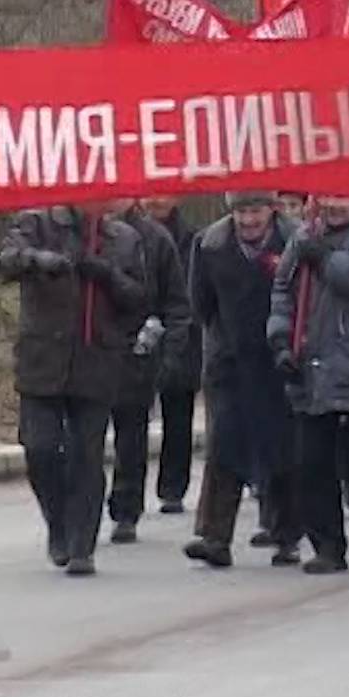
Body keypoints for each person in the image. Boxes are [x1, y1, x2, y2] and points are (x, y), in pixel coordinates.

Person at [0, 202, 150, 576]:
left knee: (86, 454)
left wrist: (108, 276)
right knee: (40, 448)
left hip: (96, 360)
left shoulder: (124, 239)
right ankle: (58, 521)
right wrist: (38, 260)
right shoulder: (35, 223)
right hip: (43, 360)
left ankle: (82, 543)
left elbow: (139, 300)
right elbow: (4, 263)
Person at [268, 195, 349, 574]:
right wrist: (280, 339)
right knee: (312, 462)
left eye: (343, 196)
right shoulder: (305, 235)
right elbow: (282, 291)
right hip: (314, 365)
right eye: (327, 196)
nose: (334, 204)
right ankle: (327, 543)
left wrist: (326, 259)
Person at [185, 192, 302, 568]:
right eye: (240, 212)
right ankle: (214, 536)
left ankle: (287, 533)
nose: (248, 220)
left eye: (255, 211)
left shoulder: (296, 240)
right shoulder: (210, 244)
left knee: (282, 447)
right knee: (224, 445)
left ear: (272, 210)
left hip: (278, 357)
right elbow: (200, 303)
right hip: (230, 359)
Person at [104, 200, 192, 545]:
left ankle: (126, 509)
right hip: (84, 351)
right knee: (83, 436)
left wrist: (171, 352)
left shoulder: (154, 239)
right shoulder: (73, 233)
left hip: (136, 348)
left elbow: (176, 301)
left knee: (130, 433)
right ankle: (79, 509)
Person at [141, 195, 202, 511]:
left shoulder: (193, 239)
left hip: (182, 331)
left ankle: (173, 488)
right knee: (133, 416)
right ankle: (129, 495)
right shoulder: (128, 233)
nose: (158, 200)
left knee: (178, 415)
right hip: (136, 331)